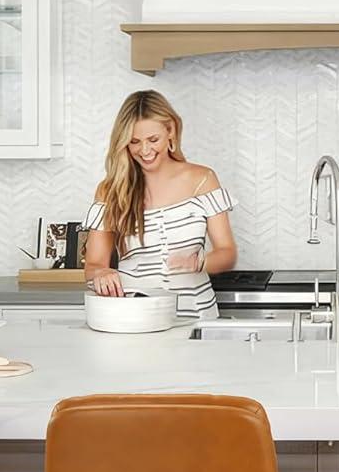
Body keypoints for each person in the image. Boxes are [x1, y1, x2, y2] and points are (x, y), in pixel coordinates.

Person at [83, 90, 237, 321]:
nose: (144, 151)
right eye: (134, 142)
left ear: (171, 131)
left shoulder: (203, 179)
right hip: (135, 318)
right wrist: (101, 272)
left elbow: (228, 253)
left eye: (153, 140)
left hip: (196, 318)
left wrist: (201, 261)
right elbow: (94, 264)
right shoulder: (110, 190)